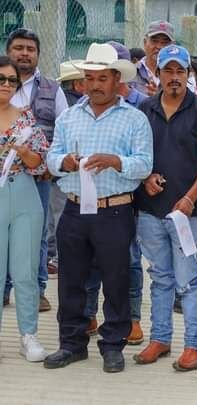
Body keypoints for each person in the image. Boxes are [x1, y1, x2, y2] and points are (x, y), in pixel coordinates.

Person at [42, 43, 152, 373]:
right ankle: (72, 344)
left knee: (116, 278)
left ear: (117, 80)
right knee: (70, 279)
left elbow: (145, 164)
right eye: (90, 78)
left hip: (114, 210)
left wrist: (117, 161)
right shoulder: (68, 117)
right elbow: (50, 157)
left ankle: (113, 345)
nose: (95, 85)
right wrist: (65, 161)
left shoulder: (135, 119)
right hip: (75, 210)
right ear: (82, 81)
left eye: (102, 78)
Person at [132, 44, 197, 371]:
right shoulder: (145, 109)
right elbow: (137, 156)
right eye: (168, 70)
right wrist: (145, 177)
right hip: (151, 210)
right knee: (160, 277)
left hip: (187, 213)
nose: (174, 77)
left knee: (189, 280)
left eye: (181, 71)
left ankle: (195, 343)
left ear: (189, 75)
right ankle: (160, 338)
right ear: (158, 73)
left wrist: (190, 198)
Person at [82, 41, 149, 343]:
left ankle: (132, 317)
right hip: (88, 194)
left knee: (130, 259)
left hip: (128, 196)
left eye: (106, 74)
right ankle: (89, 313)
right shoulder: (82, 106)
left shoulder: (142, 105)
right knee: (91, 258)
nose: (99, 81)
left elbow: (148, 154)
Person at [4, 28, 68, 313]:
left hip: (38, 176)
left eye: (30, 49)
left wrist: (49, 164)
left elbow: (63, 130)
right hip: (3, 178)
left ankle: (38, 289)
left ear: (38, 55)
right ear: (9, 51)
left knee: (38, 234)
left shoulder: (52, 89)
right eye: (19, 48)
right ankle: (4, 289)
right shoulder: (2, 84)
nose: (24, 53)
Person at [0, 55, 50, 362]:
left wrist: (22, 150)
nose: (6, 85)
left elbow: (39, 163)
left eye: (12, 80)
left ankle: (28, 335)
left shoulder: (26, 118)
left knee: (25, 269)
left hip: (23, 193)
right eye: (0, 79)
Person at [130, 20, 175, 96]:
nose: (159, 47)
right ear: (145, 42)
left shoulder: (178, 76)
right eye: (154, 41)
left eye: (164, 43)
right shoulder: (131, 73)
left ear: (173, 46)